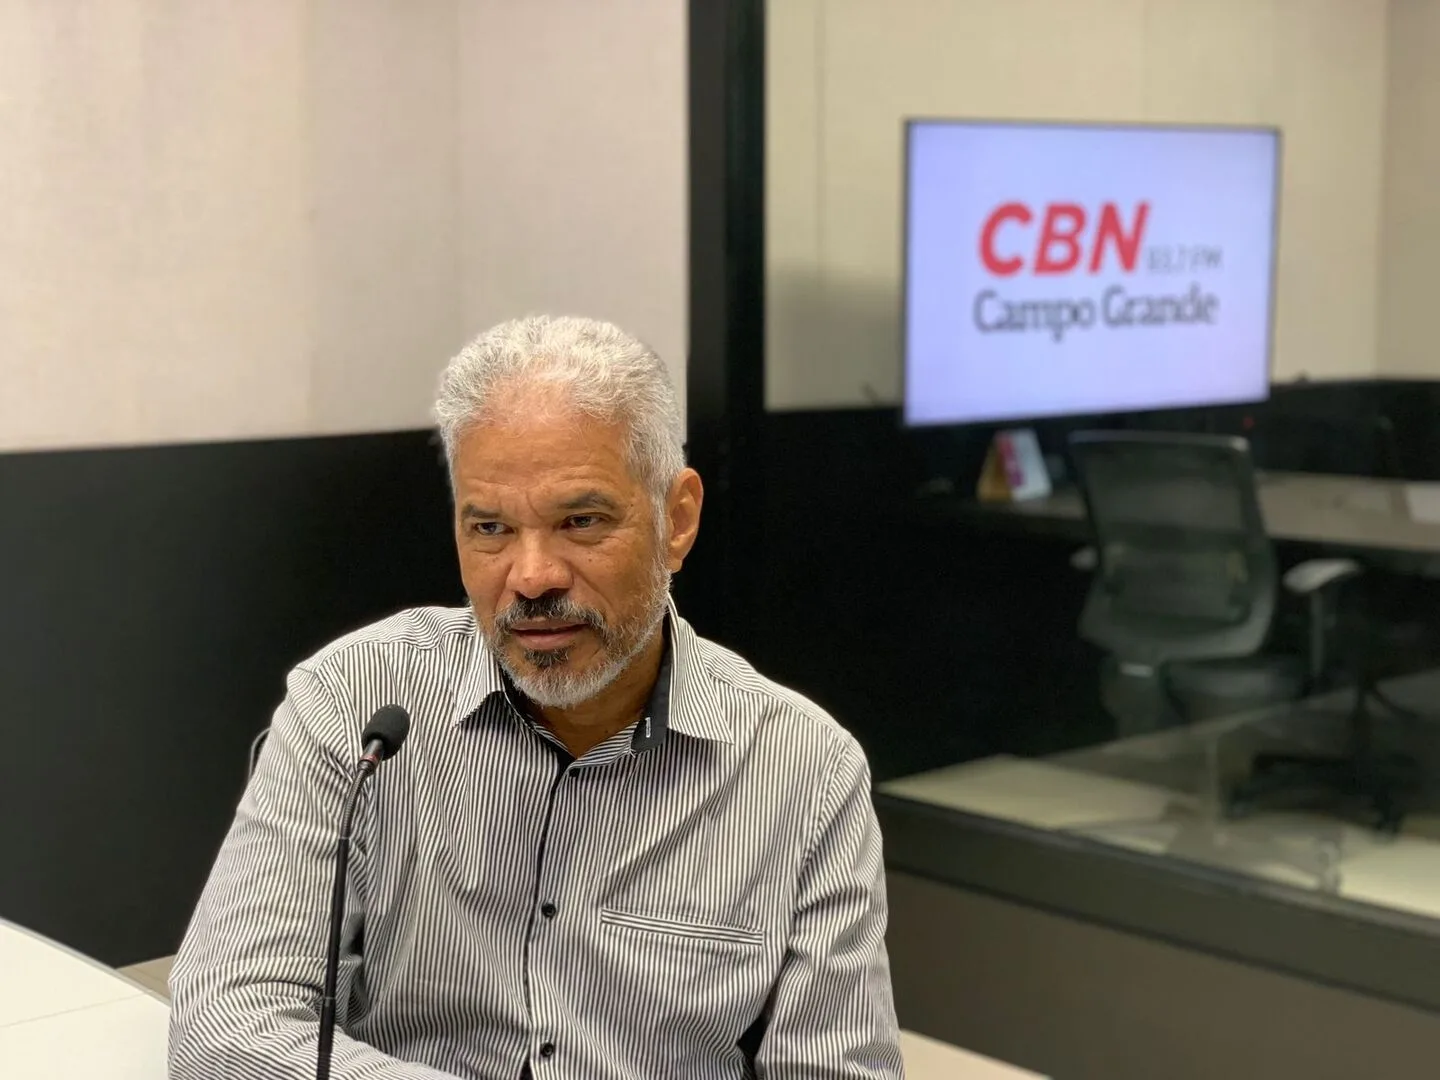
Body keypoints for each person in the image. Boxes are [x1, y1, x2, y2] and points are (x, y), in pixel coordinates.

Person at [168, 315, 904, 1079]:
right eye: (490, 528)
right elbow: (227, 1024)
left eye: (580, 521)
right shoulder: (353, 702)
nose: (531, 576)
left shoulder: (803, 769)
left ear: (676, 519)